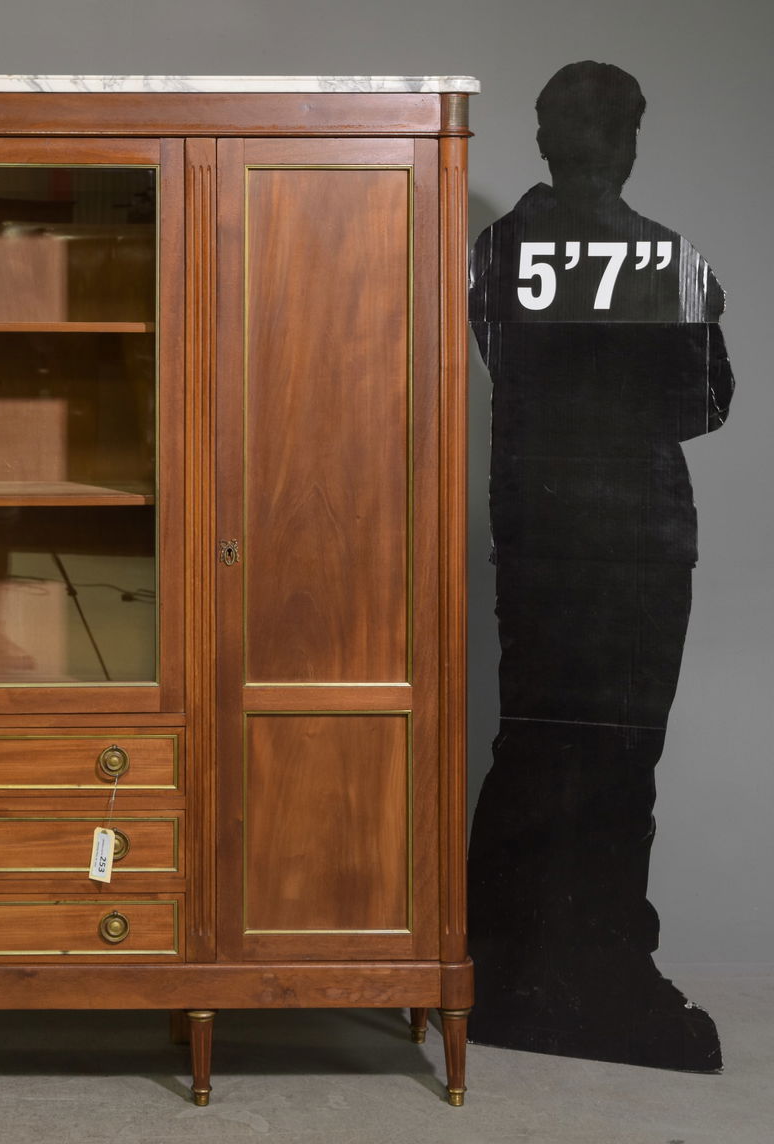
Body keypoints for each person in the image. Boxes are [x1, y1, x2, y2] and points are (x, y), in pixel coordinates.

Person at [467, 61, 735, 1071]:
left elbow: (506, 360)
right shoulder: (669, 259)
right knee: (618, 752)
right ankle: (598, 964)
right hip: (640, 540)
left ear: (543, 140)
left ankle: (509, 958)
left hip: (540, 530)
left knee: (536, 739)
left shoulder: (498, 250)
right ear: (627, 142)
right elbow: (703, 403)